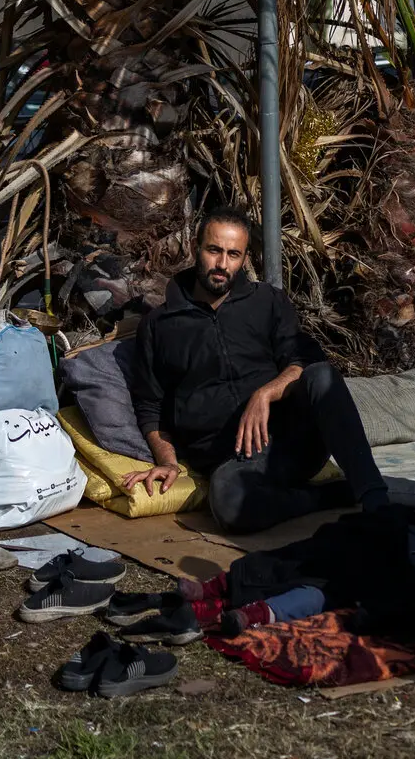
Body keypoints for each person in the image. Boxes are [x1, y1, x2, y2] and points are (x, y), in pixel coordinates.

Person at [123, 206, 389, 532]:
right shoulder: (159, 324)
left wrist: (265, 394)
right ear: (196, 247)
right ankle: (325, 498)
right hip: (232, 461)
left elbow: (304, 360)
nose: (222, 265)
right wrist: (168, 462)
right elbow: (150, 406)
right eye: (214, 250)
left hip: (294, 444)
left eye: (233, 254)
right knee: (227, 504)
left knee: (322, 377)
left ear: (245, 257)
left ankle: (376, 499)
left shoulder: (268, 302)